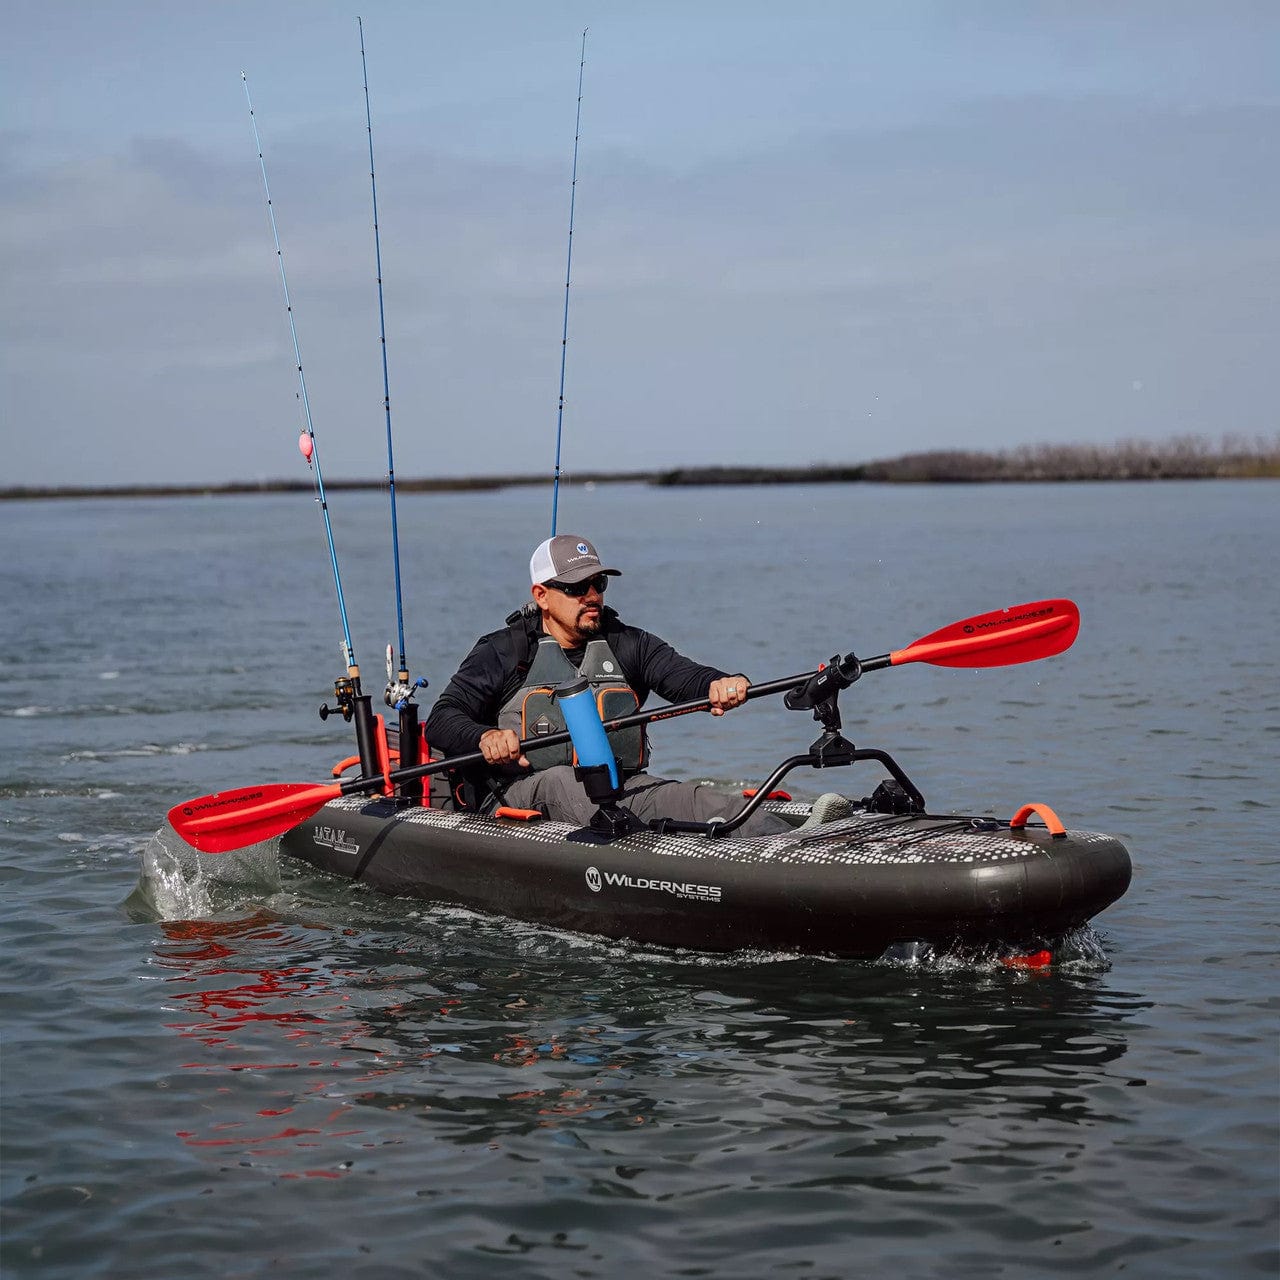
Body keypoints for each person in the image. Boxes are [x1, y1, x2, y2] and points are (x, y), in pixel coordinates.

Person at [425, 534, 845, 836]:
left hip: (619, 787)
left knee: (698, 800)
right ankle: (645, 850)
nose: (592, 595)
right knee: (563, 781)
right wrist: (485, 737)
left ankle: (800, 838)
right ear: (542, 595)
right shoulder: (504, 651)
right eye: (576, 588)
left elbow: (684, 676)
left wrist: (721, 682)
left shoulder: (627, 643)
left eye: (599, 584)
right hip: (518, 795)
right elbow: (442, 719)